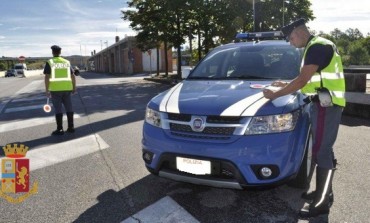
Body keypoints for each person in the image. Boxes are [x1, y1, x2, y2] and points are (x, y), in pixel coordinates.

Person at [263, 19, 346, 218]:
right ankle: (324, 192)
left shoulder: (316, 47)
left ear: (299, 32)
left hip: (326, 104)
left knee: (321, 151)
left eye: (291, 38)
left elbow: (302, 80)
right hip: (325, 104)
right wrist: (285, 83)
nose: (291, 43)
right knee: (323, 149)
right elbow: (308, 79)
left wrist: (275, 94)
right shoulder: (317, 45)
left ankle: (321, 203)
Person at [44, 45, 77, 135]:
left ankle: (60, 129)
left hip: (55, 90)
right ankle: (71, 127)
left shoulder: (50, 62)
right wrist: (74, 87)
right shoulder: (67, 62)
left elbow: (47, 77)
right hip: (67, 88)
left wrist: (47, 90)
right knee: (69, 107)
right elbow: (72, 75)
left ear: (52, 52)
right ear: (60, 52)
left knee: (58, 109)